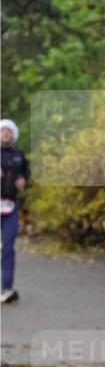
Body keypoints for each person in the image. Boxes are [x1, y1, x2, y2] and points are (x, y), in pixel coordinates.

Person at [1, 118, 30, 304]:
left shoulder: (19, 155)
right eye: (3, 130)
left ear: (13, 134)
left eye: (9, 131)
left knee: (8, 247)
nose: (6, 134)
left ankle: (7, 288)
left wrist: (23, 182)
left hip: (11, 206)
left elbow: (26, 175)